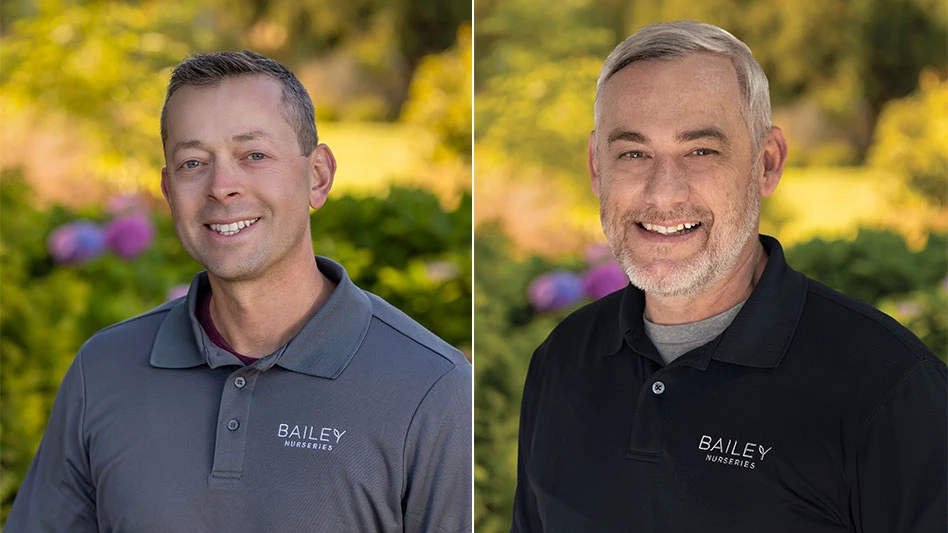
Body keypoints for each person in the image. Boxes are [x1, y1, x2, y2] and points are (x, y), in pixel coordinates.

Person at [8, 50, 472, 532]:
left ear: (318, 176)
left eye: (254, 155)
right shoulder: (102, 371)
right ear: (168, 191)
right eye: (192, 162)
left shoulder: (432, 388)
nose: (221, 187)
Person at [511, 20, 946, 533]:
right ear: (596, 166)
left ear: (767, 163)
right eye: (633, 153)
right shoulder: (562, 359)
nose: (663, 193)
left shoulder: (889, 388)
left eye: (700, 151)